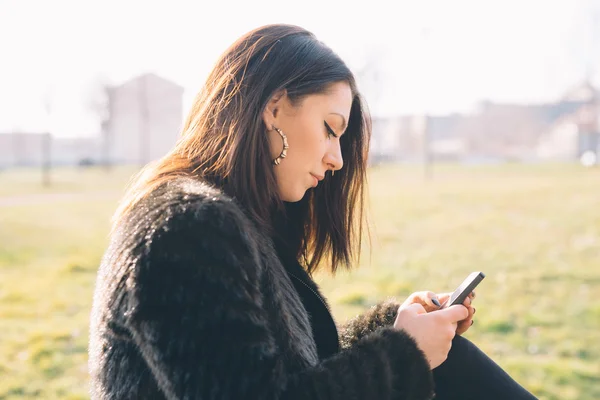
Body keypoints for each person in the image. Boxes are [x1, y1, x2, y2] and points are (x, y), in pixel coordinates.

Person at [88, 24, 537, 400]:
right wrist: (404, 353)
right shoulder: (184, 225)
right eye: (330, 129)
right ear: (275, 106)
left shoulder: (240, 223)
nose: (337, 159)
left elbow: (289, 371)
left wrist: (397, 328)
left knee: (451, 362)